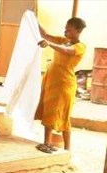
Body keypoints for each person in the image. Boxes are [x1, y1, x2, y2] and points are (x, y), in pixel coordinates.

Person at [34, 17, 87, 153]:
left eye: (69, 29)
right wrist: (34, 18)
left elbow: (66, 51)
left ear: (78, 31)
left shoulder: (79, 46)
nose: (65, 31)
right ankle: (47, 143)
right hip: (52, 80)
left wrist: (50, 44)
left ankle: (67, 148)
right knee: (49, 111)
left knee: (63, 114)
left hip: (64, 83)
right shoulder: (64, 41)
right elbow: (45, 35)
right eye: (65, 28)